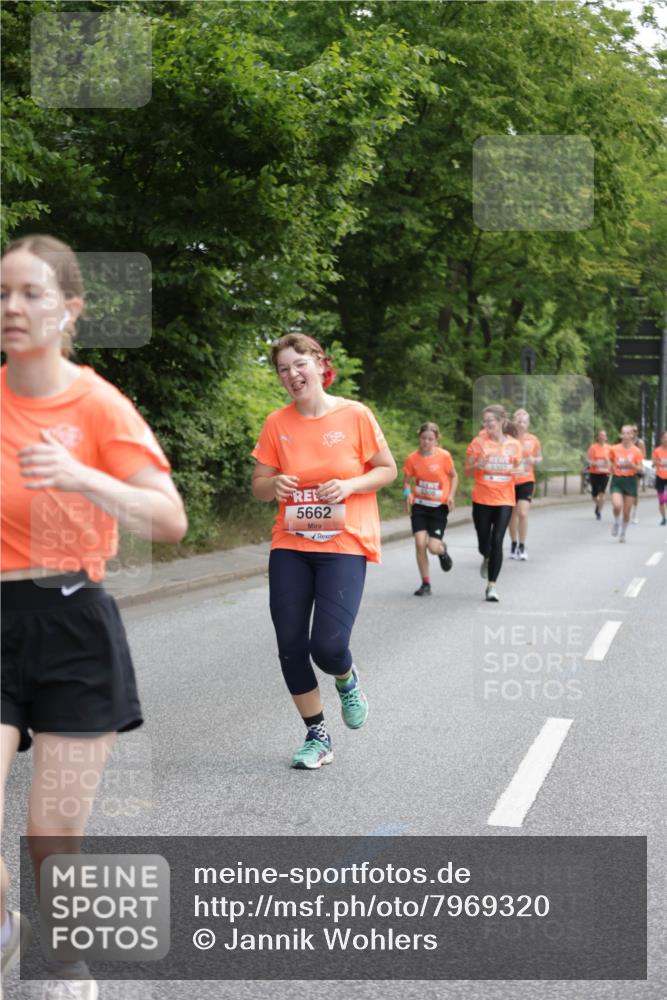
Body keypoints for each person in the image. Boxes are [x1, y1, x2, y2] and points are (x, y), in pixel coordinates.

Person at [0, 235, 188, 1000]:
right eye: (1, 293)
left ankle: (65, 954)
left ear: (70, 308)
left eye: (31, 293)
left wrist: (81, 475)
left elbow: (168, 518)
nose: (12, 307)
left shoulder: (98, 404)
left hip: (74, 622)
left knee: (52, 833)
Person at [251, 333, 396, 770]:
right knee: (291, 646)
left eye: (299, 364)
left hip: (344, 543)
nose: (292, 375)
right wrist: (272, 485)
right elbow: (259, 487)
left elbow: (386, 469)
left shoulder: (355, 415)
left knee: (329, 646)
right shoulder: (277, 424)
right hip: (290, 545)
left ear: (318, 362)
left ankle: (347, 680)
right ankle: (317, 734)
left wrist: (350, 485)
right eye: (283, 369)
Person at [464, 405, 521, 602]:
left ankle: (492, 586)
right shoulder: (478, 443)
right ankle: (486, 556)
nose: (487, 424)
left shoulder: (514, 445)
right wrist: (476, 465)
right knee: (484, 543)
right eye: (485, 421)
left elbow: (518, 469)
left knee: (497, 540)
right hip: (482, 498)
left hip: (505, 498)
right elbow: (467, 470)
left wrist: (515, 470)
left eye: (490, 420)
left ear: (501, 422)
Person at [403, 422, 457, 596]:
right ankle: (425, 583)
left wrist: (451, 496)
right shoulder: (412, 458)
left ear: (436, 440)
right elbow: (406, 482)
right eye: (423, 438)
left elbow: (454, 477)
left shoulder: (444, 456)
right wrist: (408, 495)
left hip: (438, 508)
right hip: (419, 506)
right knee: (420, 543)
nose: (426, 442)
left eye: (430, 439)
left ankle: (442, 550)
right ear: (419, 438)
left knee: (432, 547)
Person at [508, 408, 542, 560]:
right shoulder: (507, 439)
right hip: (509, 481)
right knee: (512, 514)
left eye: (524, 422)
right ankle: (513, 543)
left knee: (522, 512)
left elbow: (540, 457)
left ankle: (522, 545)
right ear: (514, 422)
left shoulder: (533, 440)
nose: (521, 424)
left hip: (527, 479)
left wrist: (534, 460)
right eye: (518, 421)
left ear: (528, 424)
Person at [609, 425, 644, 542]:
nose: (626, 435)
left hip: (630, 481)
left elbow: (641, 469)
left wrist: (632, 465)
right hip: (617, 480)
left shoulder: (636, 451)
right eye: (624, 433)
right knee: (617, 505)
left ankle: (623, 532)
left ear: (632, 435)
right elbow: (610, 461)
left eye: (629, 433)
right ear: (621, 435)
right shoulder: (614, 449)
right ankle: (616, 522)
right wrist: (610, 467)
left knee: (626, 511)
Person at [585, 429, 613, 520]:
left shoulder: (610, 448)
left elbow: (613, 461)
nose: (602, 437)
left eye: (603, 435)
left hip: (605, 473)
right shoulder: (593, 447)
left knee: (602, 493)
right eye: (600, 435)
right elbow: (588, 459)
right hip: (594, 472)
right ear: (598, 437)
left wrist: (608, 462)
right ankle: (598, 505)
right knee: (594, 495)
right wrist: (594, 463)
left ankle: (599, 511)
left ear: (606, 438)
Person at [630, 425, 646, 524]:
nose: (633, 432)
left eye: (635, 431)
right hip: (626, 470)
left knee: (635, 492)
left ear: (637, 432)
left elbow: (643, 455)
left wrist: (635, 460)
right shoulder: (625, 442)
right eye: (632, 430)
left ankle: (634, 514)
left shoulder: (639, 442)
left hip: (636, 469)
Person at [652, 430, 667, 526]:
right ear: (661, 439)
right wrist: (659, 463)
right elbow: (653, 463)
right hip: (660, 476)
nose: (666, 439)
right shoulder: (657, 451)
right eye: (665, 437)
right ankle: (663, 518)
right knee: (661, 500)